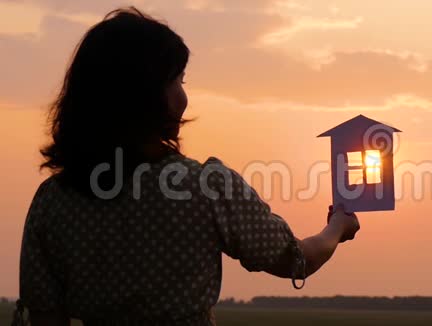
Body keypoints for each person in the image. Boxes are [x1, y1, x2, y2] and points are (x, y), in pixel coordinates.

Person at [16, 7, 360, 326]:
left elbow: (46, 315)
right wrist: (336, 228)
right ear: (146, 93)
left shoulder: (53, 200)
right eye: (178, 80)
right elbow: (296, 259)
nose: (183, 95)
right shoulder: (205, 186)